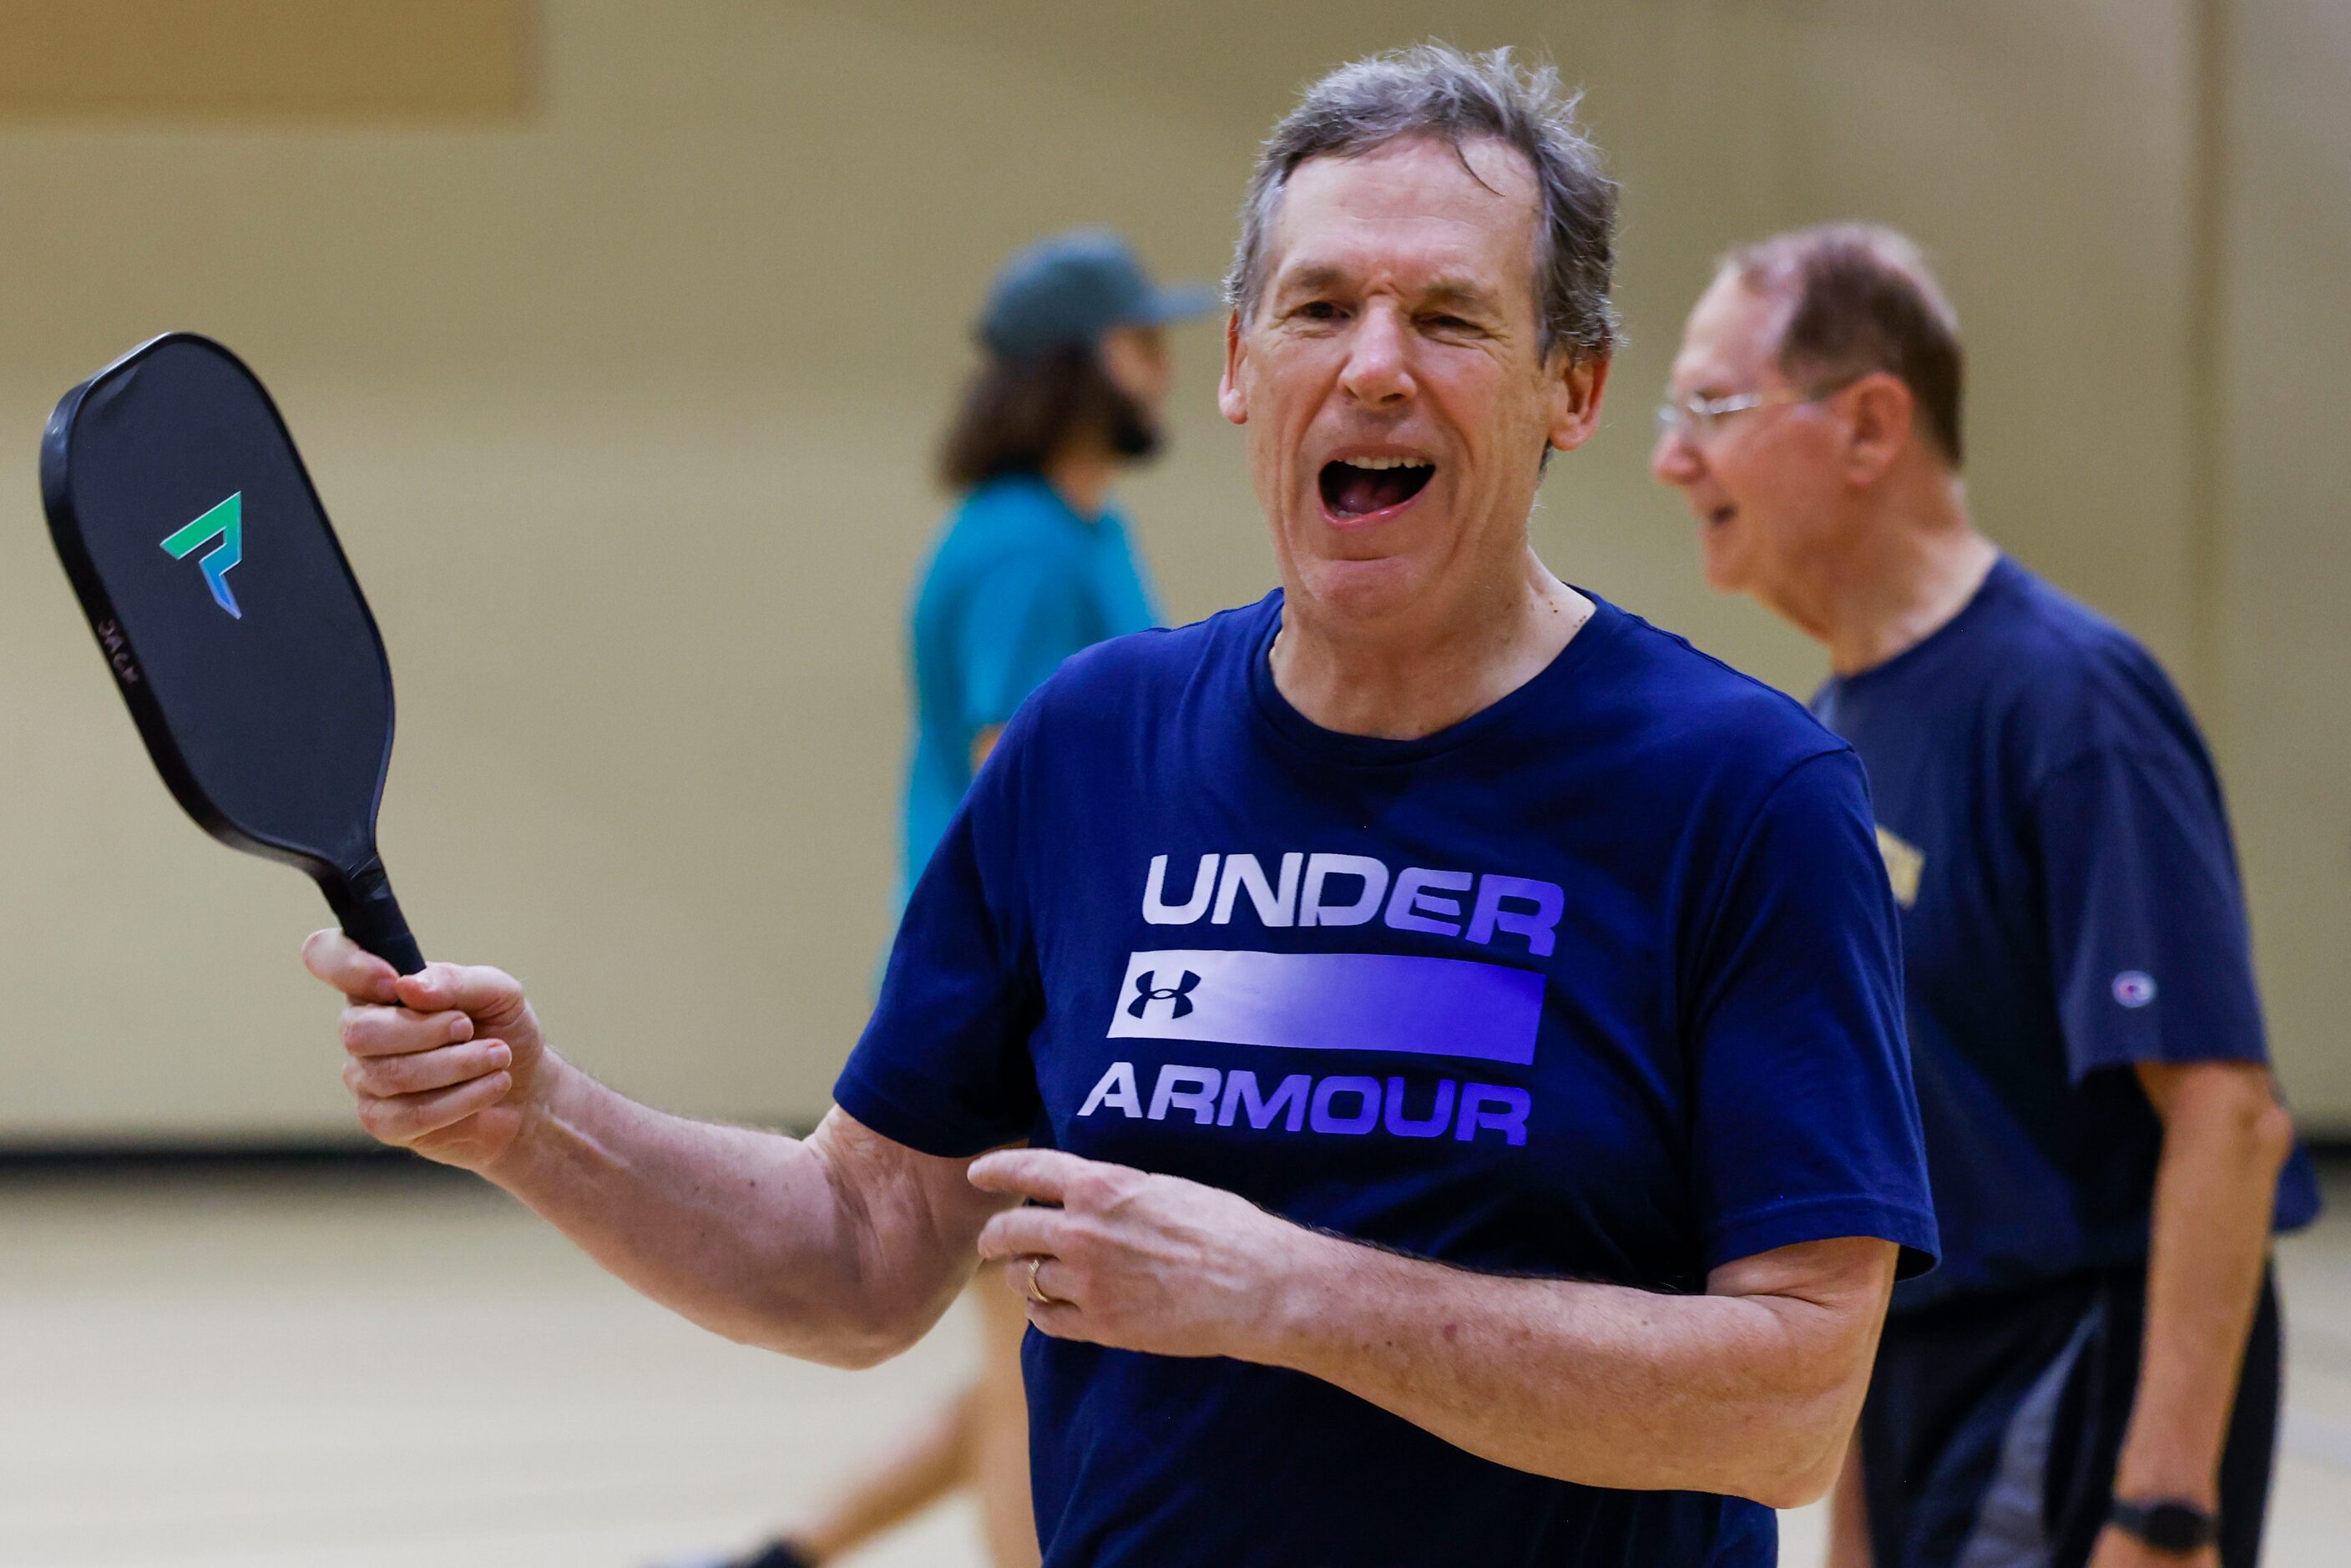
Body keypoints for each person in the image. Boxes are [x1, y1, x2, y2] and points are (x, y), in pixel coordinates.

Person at [307, 47, 1938, 1566]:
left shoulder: (1740, 795)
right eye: (1317, 308)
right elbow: (859, 1246)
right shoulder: (1095, 744)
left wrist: (1291, 1296)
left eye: (1448, 318)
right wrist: (539, 1121)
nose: (1373, 364)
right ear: (1240, 366)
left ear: (1568, 391)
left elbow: (1790, 1402)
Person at [1650, 223, 2320, 1568]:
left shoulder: (2070, 704)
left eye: (1713, 407)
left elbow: (2228, 1120)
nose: (1673, 457)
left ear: (1869, 425)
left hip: (2075, 1386)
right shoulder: (1835, 723)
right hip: (1928, 1393)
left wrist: (2164, 1505)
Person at [668, 234, 1211, 1568]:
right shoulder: (1025, 550)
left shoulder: (1086, 528)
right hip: (1027, 994)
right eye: (1146, 345)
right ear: (1082, 369)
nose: (1170, 372)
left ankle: (790, 1551)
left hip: (1076, 990)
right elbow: (1021, 790)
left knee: (1040, 1342)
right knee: (1037, 1351)